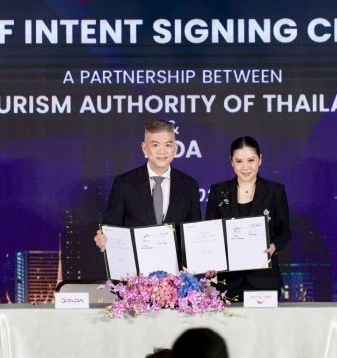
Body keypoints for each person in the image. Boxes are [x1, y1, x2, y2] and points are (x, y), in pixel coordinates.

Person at [94, 118, 201, 252]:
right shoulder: (124, 183)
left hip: (176, 264)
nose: (162, 151)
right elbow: (111, 228)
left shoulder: (189, 185)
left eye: (168, 145)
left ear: (175, 149)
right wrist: (103, 238)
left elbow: (193, 233)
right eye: (155, 145)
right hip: (135, 263)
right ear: (145, 148)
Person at [205, 136, 291, 302]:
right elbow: (211, 234)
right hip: (228, 281)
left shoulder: (275, 191)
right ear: (231, 161)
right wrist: (210, 261)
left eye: (251, 160)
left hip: (265, 279)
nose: (245, 167)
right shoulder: (218, 191)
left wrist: (274, 246)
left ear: (260, 159)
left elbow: (285, 232)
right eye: (239, 161)